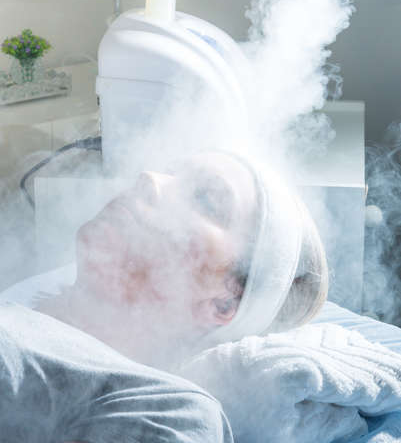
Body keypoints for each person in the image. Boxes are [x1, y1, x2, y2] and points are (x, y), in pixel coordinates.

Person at [0, 149, 328, 442]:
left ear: (223, 303)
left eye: (205, 199)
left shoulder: (172, 411)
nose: (149, 178)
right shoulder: (15, 305)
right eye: (170, 171)